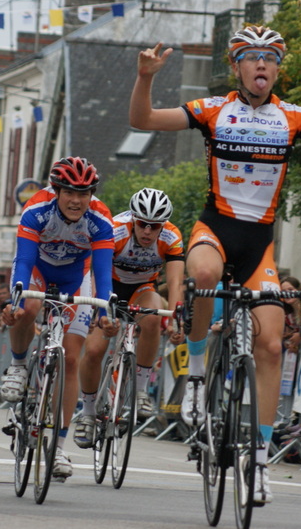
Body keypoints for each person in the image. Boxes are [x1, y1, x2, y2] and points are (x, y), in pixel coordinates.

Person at [129, 25, 301, 504]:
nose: (261, 64)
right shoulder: (214, 109)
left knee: (273, 345)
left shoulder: (292, 117)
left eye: (270, 58)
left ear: (278, 69)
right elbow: (143, 119)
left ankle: (258, 457)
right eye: (252, 57)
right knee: (206, 278)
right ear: (237, 67)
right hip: (215, 229)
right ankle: (195, 377)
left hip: (259, 245)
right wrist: (146, 77)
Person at [0, 156, 117, 480]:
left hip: (75, 278)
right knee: (30, 308)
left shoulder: (100, 220)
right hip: (37, 269)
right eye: (69, 192)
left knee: (70, 357)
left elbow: (103, 276)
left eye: (84, 193)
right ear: (56, 191)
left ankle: (60, 447)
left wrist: (105, 312)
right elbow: (23, 261)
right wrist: (15, 301)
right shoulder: (37, 210)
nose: (77, 200)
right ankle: (20, 365)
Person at [75, 188, 185, 449]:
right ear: (134, 219)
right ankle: (88, 413)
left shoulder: (171, 237)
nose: (147, 232)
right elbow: (93, 272)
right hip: (107, 288)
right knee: (94, 350)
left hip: (141, 289)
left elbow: (175, 281)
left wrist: (176, 318)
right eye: (142, 224)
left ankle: (141, 389)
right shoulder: (116, 230)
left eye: (154, 226)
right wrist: (96, 310)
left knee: (153, 313)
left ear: (163, 225)